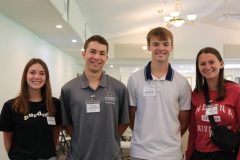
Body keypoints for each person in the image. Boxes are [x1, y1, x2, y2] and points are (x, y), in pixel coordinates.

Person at [60, 35, 129, 160]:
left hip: (110, 156)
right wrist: (81, 139)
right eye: (92, 52)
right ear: (84, 54)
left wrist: (110, 139)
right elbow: (66, 124)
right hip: (79, 155)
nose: (97, 57)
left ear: (106, 58)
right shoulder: (68, 89)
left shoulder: (119, 88)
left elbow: (123, 122)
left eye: (102, 53)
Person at [127, 27, 192, 160]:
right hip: (141, 152)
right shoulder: (134, 79)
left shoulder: (182, 82)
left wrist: (170, 138)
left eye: (165, 44)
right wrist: (143, 135)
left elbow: (184, 121)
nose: (160, 48)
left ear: (172, 47)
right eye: (156, 44)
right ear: (149, 47)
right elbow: (131, 115)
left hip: (171, 154)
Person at [0, 58, 61, 160]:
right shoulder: (10, 106)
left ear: (46, 78)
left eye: (42, 73)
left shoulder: (55, 104)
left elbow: (56, 133)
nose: (37, 77)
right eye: (32, 72)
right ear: (25, 76)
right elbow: (7, 139)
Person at [185, 47, 240, 160]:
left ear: (221, 64)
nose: (207, 67)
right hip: (199, 155)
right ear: (198, 67)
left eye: (211, 62)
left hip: (225, 154)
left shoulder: (235, 91)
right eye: (203, 64)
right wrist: (189, 155)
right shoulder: (196, 94)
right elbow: (193, 131)